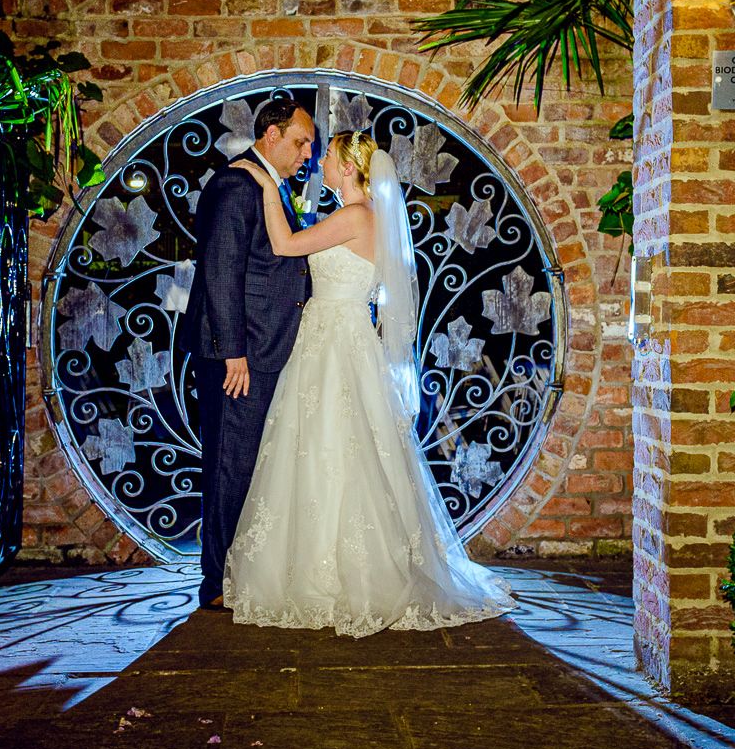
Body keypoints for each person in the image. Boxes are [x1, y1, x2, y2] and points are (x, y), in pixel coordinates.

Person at [220, 130, 515, 635]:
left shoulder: (355, 216)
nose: (321, 165)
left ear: (349, 168)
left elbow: (285, 245)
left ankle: (334, 574)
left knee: (333, 446)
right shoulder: (365, 217)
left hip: (335, 339)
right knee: (338, 446)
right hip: (338, 336)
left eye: (329, 157)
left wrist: (268, 187)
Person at [181, 97, 318, 611]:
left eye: (309, 143)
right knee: (230, 464)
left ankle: (238, 571)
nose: (308, 152)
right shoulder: (237, 185)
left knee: (248, 463)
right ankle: (215, 583)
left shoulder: (264, 184)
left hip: (260, 347)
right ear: (271, 136)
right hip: (238, 355)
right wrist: (232, 353)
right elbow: (220, 271)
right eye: (301, 141)